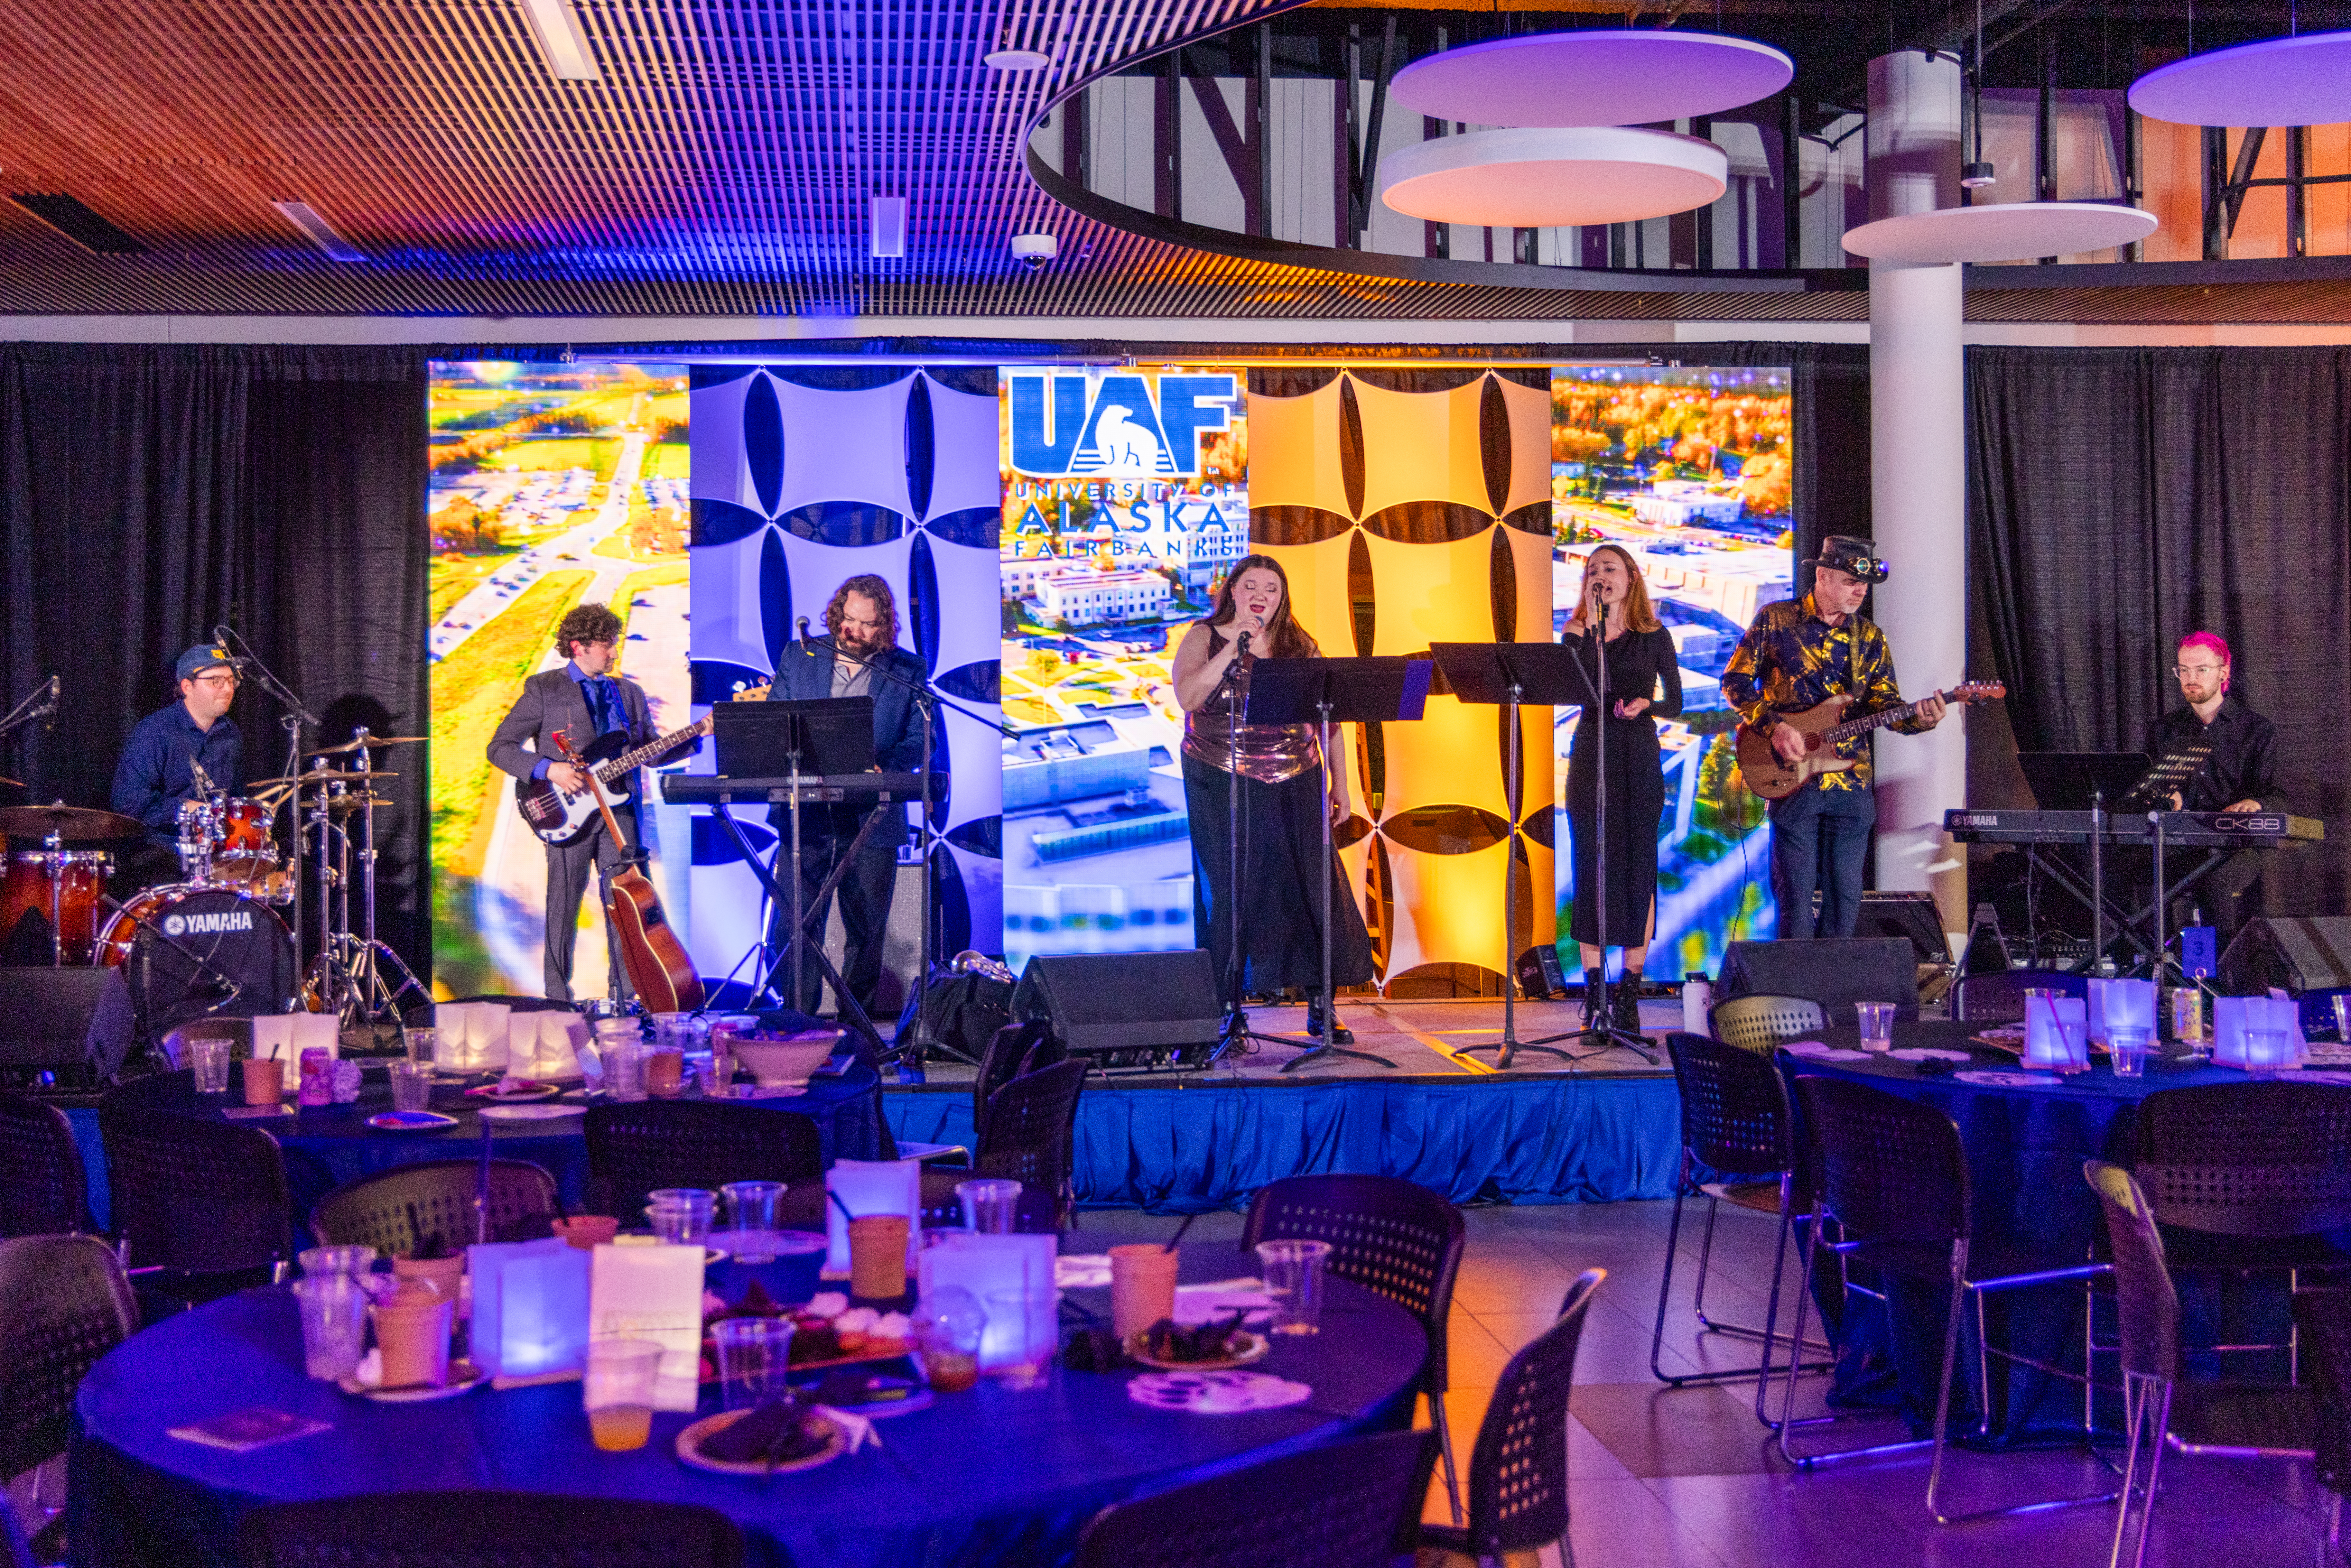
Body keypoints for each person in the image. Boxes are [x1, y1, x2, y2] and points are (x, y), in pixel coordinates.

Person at [1172, 554, 1373, 1040]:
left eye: (1272, 588)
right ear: (1233, 591)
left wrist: (1342, 784)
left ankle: (1321, 1004)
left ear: (1283, 598)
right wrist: (1233, 648)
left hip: (1296, 775)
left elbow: (1330, 718)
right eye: (1251, 585)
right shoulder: (1203, 636)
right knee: (1231, 890)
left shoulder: (1298, 645)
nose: (1261, 595)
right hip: (1219, 776)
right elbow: (1188, 697)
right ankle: (1226, 1009)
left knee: (1311, 887)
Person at [1721, 536, 1946, 940]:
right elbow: (1735, 682)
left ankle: (1835, 992)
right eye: (1849, 581)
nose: (1859, 591)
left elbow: (1885, 706)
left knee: (1845, 899)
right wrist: (1776, 728)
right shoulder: (1776, 620)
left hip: (1851, 784)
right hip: (1793, 780)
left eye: (1863, 585)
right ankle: (1797, 994)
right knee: (1795, 897)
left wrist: (1920, 719)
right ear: (1822, 576)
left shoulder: (1870, 637)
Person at [765, 574, 934, 1018]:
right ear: (837, 613)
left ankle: (855, 1026)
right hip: (807, 816)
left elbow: (919, 741)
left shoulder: (907, 670)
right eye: (848, 620)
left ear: (884, 626)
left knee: (867, 929)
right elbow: (776, 720)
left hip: (872, 816)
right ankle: (798, 1023)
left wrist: (890, 768)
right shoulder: (800, 656)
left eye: (866, 624)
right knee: (796, 925)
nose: (853, 632)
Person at [488, 603, 658, 1004]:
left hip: (620, 814)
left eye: (614, 644)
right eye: (606, 645)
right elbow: (500, 748)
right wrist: (550, 770)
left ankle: (629, 997)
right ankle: (556, 999)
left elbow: (651, 748)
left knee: (628, 905)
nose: (614, 653)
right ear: (579, 646)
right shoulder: (545, 688)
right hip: (566, 813)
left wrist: (693, 737)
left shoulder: (628, 693)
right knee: (563, 906)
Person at [1561, 545, 1683, 1032]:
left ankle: (1629, 994)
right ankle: (1593, 995)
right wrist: (1579, 634)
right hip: (1591, 751)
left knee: (1637, 868)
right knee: (1590, 865)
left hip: (1636, 754)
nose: (1601, 576)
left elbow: (1674, 701)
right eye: (1593, 570)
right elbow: (1568, 688)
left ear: (1631, 577)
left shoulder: (1654, 635)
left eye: (1610, 569)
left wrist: (1643, 705)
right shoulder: (1576, 634)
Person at [2145, 630, 2279, 942]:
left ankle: (2214, 975)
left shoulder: (2255, 731)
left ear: (2223, 672)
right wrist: (2164, 795)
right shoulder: (2164, 730)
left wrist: (2255, 805)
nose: (2190, 678)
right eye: (2184, 670)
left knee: (2211, 875)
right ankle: (2155, 965)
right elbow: (2151, 787)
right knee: (2133, 870)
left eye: (2201, 670)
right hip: (2178, 845)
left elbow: (2276, 795)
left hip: (2232, 851)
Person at [111, 643, 246, 886]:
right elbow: (128, 801)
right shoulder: (154, 731)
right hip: (162, 850)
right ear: (187, 687)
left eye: (231, 680)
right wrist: (185, 808)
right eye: (216, 680)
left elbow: (235, 797)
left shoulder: (231, 734)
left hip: (215, 851)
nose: (227, 688)